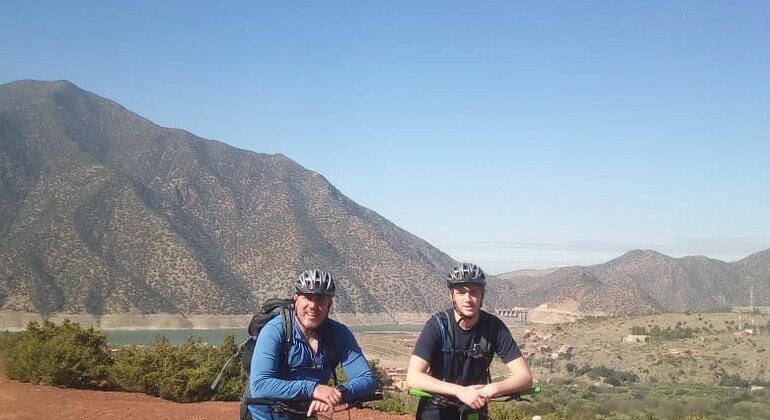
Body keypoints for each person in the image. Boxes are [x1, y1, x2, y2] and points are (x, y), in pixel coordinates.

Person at [406, 262, 533, 420]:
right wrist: (460, 391)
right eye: (461, 292)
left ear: (482, 295)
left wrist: (492, 389)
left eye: (474, 292)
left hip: (475, 409)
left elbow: (524, 377)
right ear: (451, 295)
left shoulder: (494, 327)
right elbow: (413, 377)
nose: (468, 299)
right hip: (436, 409)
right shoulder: (437, 325)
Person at [246, 269, 378, 420]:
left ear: (330, 304)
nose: (313, 306)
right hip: (267, 415)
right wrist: (314, 389)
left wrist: (336, 394)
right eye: (307, 298)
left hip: (305, 414)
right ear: (296, 299)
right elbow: (260, 385)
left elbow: (367, 379)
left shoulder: (338, 334)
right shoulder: (274, 331)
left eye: (320, 299)